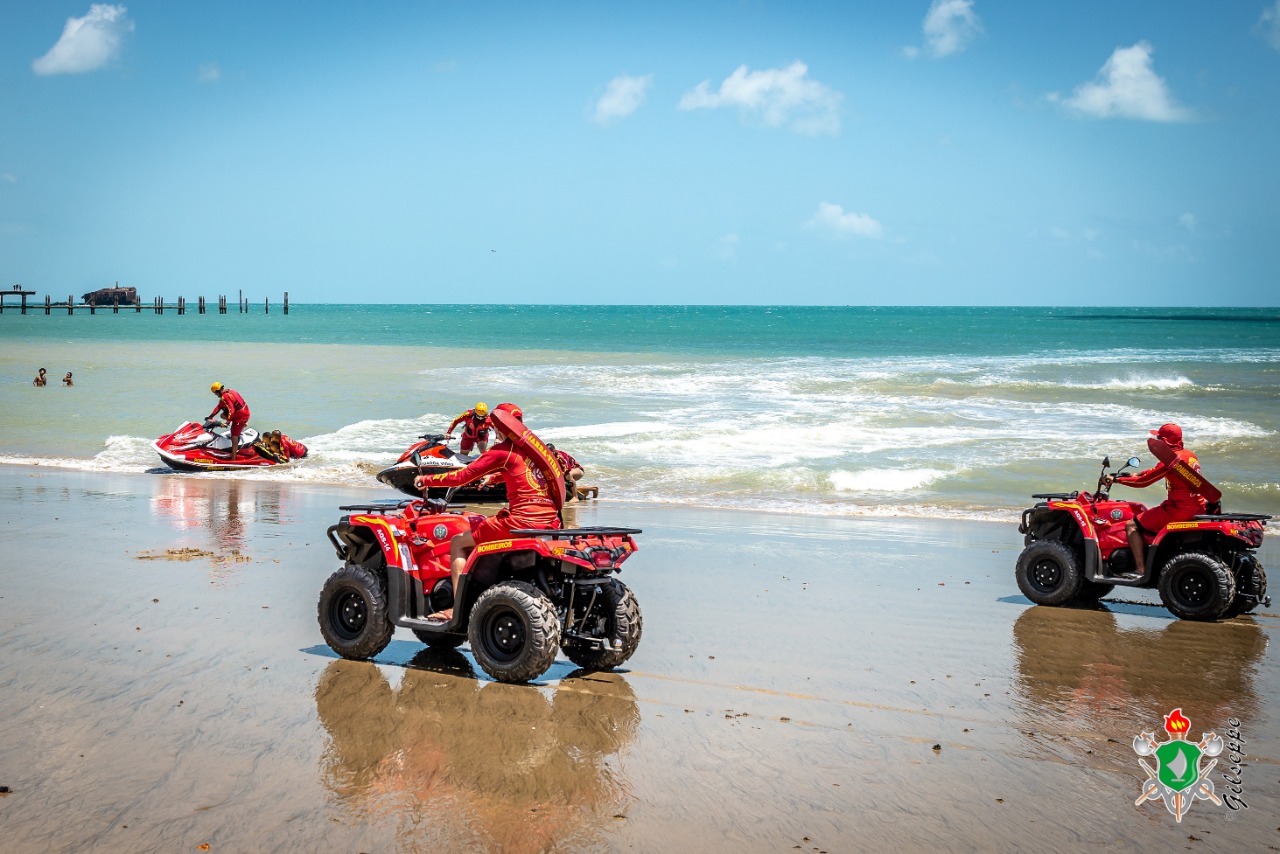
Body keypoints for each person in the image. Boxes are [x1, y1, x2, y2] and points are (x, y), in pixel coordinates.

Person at [414, 403, 563, 622]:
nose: (493, 431)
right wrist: (494, 478)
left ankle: (457, 608)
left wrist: (426, 480)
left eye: (495, 427)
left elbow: (463, 476)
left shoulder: (503, 450)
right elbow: (522, 472)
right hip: (550, 522)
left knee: (458, 542)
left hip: (519, 522)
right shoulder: (533, 452)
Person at [1104, 423, 1207, 572]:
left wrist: (1116, 480)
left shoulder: (1171, 460)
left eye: (1159, 438)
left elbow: (1143, 482)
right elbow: (1155, 471)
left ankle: (1140, 569)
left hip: (1180, 509)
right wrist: (1133, 474)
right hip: (1197, 506)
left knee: (1132, 525)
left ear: (1165, 441)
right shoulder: (1188, 455)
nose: (1157, 441)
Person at [207, 382, 251, 461]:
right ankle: (242, 423)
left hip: (241, 416)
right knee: (222, 415)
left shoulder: (225, 397)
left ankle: (233, 460)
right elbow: (219, 406)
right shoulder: (230, 391)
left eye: (215, 393)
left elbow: (232, 410)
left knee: (234, 438)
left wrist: (227, 422)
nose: (216, 395)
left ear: (217, 391)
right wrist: (210, 416)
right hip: (244, 411)